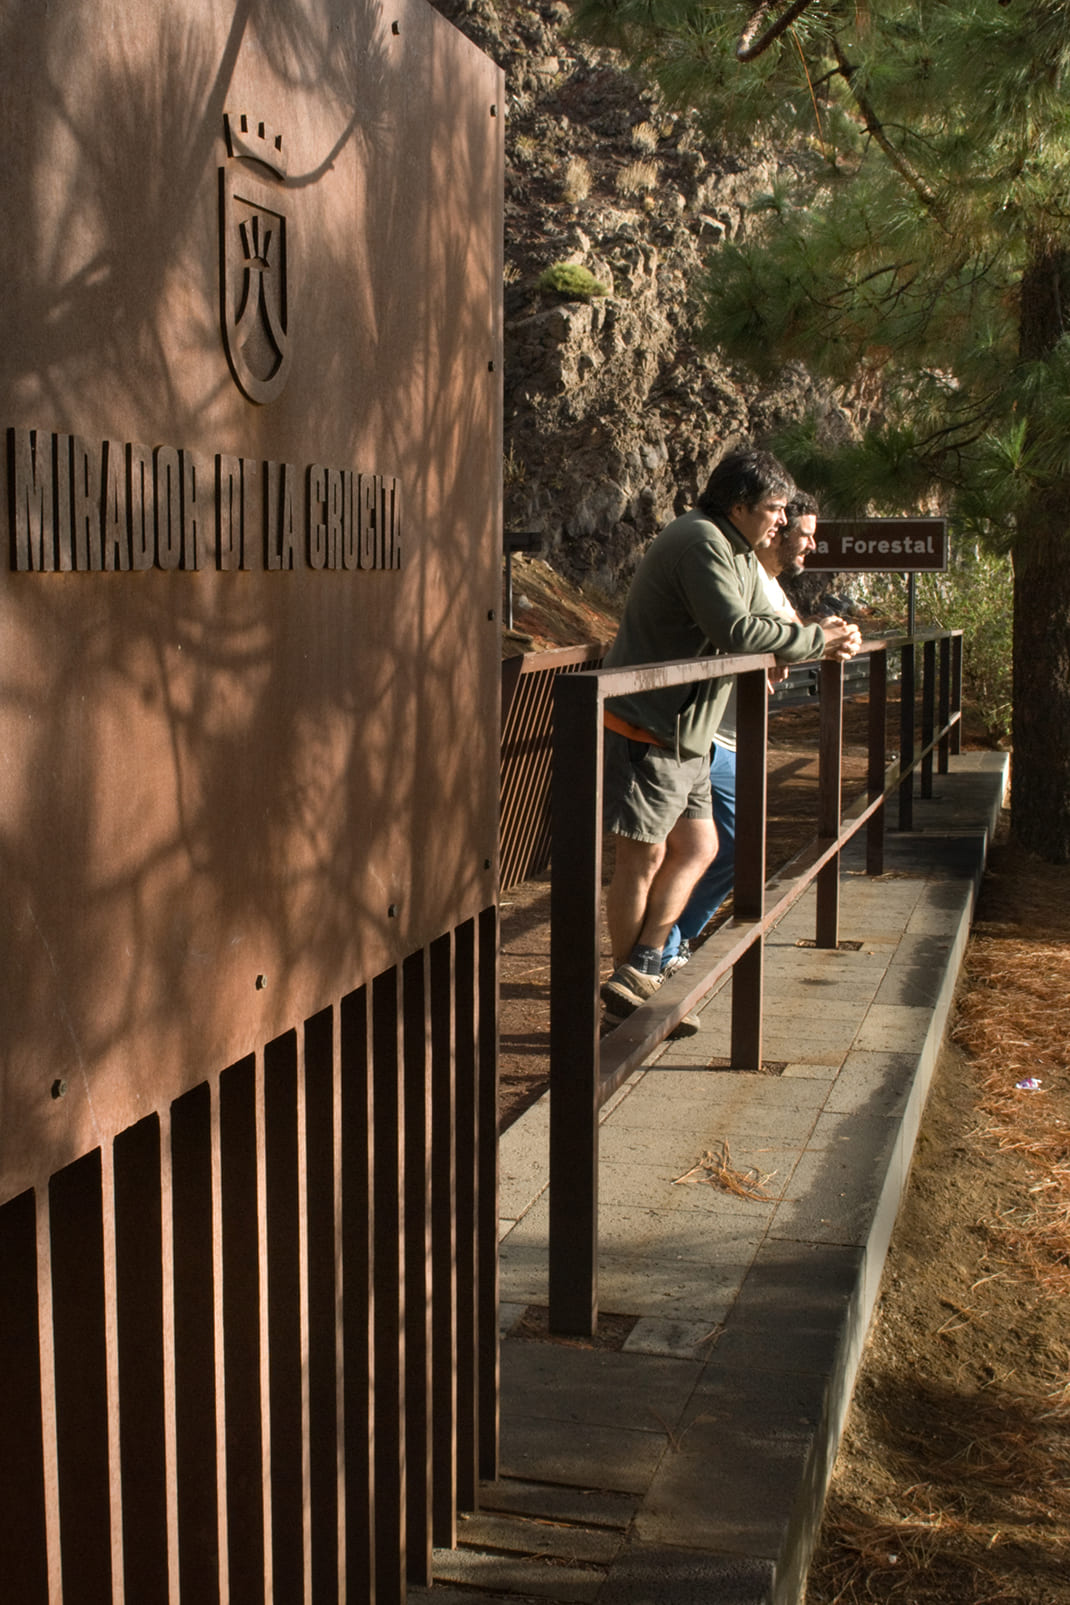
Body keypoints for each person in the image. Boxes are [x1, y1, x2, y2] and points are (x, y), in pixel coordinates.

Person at [600, 454, 860, 1027]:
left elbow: (762, 627)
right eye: (774, 508)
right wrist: (814, 640)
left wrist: (807, 638)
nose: (782, 520)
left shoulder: (735, 550)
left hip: (689, 730)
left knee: (700, 849)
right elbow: (738, 631)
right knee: (642, 858)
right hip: (649, 724)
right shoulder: (701, 542)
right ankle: (627, 994)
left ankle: (643, 964)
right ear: (738, 505)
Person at [659, 491, 821, 976]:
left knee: (728, 846)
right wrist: (803, 642)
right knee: (706, 847)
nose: (807, 544)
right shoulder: (738, 568)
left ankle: (669, 944)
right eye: (800, 532)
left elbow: (786, 639)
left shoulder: (766, 581)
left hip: (727, 734)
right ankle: (661, 949)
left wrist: (810, 638)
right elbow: (753, 635)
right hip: (705, 730)